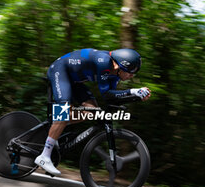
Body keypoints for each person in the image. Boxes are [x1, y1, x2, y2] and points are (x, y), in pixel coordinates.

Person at [34, 48, 151, 176]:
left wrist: (137, 96)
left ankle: (55, 131)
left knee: (92, 111)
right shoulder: (104, 61)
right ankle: (44, 156)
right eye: (130, 72)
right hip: (60, 70)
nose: (131, 76)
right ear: (118, 65)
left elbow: (112, 98)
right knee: (63, 112)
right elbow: (106, 95)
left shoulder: (114, 75)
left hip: (73, 81)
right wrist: (133, 91)